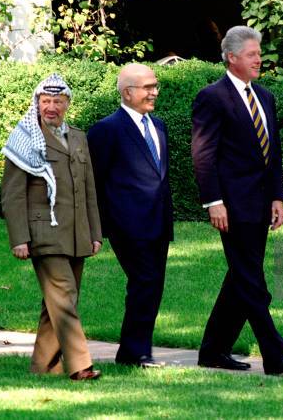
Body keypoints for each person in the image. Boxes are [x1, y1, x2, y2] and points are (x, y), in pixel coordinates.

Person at [191, 25, 283, 375]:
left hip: (259, 205)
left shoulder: (265, 97)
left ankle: (213, 350)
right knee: (251, 281)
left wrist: (277, 197)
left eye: (259, 53)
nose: (259, 60)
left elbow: (272, 152)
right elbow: (203, 155)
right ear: (232, 57)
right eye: (253, 54)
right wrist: (214, 202)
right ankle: (273, 351)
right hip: (231, 206)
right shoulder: (212, 97)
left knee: (241, 278)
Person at [1, 73, 102, 381]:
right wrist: (19, 238)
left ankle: (43, 365)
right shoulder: (24, 139)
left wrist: (95, 233)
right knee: (64, 294)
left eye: (58, 101)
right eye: (45, 101)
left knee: (57, 301)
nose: (51, 107)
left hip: (76, 234)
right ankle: (80, 365)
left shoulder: (78, 137)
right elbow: (12, 195)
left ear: (67, 104)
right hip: (43, 233)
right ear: (37, 103)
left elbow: (88, 190)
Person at [87, 63, 173, 369]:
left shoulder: (158, 126)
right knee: (144, 281)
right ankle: (136, 352)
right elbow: (93, 182)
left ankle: (134, 352)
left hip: (158, 223)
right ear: (127, 92)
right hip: (127, 225)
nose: (154, 92)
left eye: (155, 86)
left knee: (152, 285)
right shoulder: (106, 130)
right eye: (148, 87)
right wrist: (96, 228)